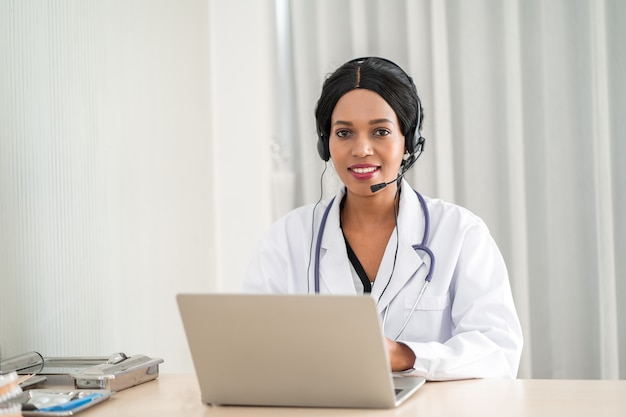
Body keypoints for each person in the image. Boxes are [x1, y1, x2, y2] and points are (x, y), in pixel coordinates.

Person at [243, 57, 523, 381]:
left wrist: (405, 355)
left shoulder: (461, 234)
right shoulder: (287, 239)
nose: (361, 149)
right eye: (344, 132)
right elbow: (253, 348)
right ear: (325, 144)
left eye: (380, 131)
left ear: (409, 141)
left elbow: (498, 350)